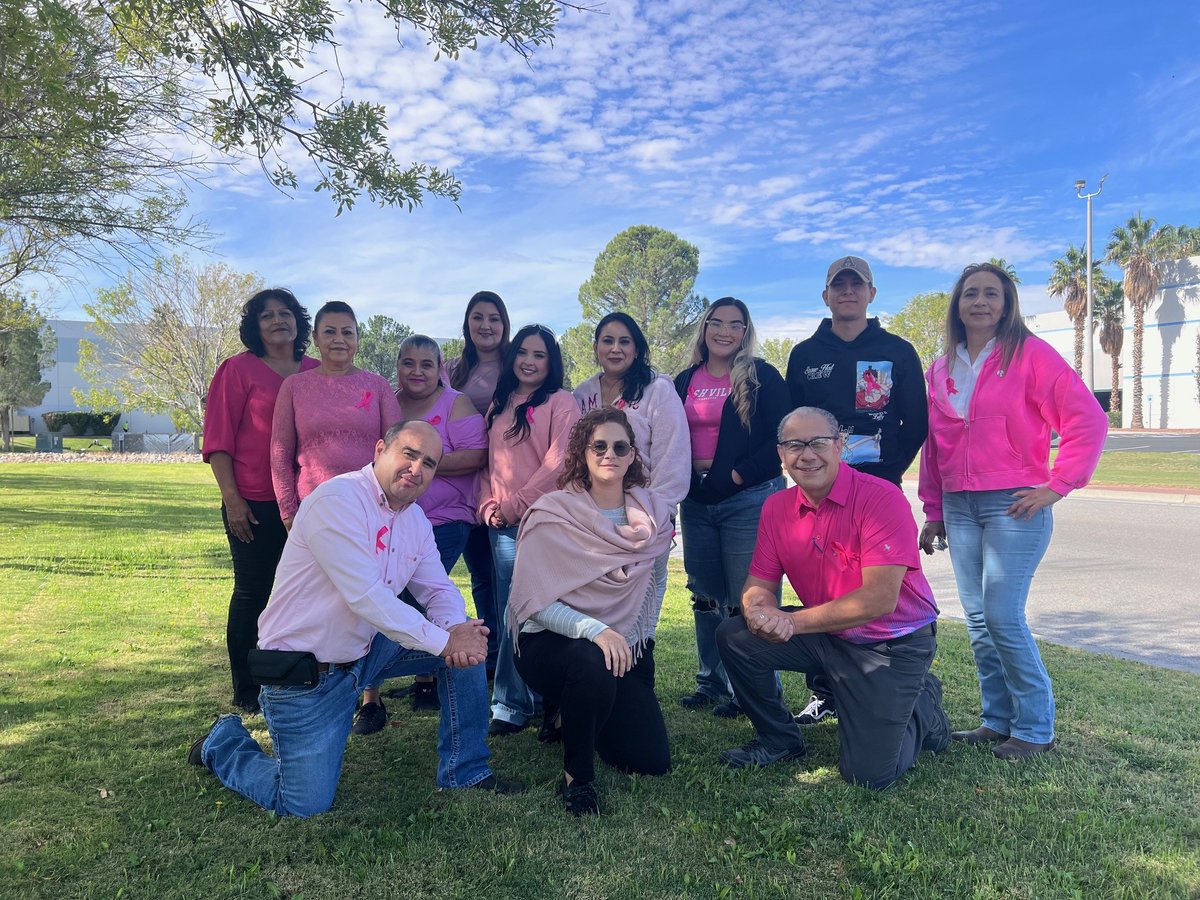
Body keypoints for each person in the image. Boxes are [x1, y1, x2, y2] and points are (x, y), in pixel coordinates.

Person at [188, 421, 525, 816]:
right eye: (409, 454)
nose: (417, 469)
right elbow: (367, 597)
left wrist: (455, 630)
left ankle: (464, 770)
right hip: (307, 674)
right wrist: (446, 640)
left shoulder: (413, 519)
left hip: (366, 652)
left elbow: (436, 587)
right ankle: (222, 741)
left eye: (429, 463)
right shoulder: (338, 501)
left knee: (468, 644)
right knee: (302, 803)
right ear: (380, 449)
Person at [918, 262, 1107, 760]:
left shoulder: (1031, 355)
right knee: (978, 620)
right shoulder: (940, 368)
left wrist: (1059, 484)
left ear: (1006, 304)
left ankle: (1035, 728)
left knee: (1002, 616)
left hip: (1014, 504)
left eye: (992, 294)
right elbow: (935, 448)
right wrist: (933, 509)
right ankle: (995, 720)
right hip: (958, 506)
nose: (980, 302)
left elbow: (1087, 418)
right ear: (957, 304)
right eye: (970, 294)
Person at [715, 407, 949, 788]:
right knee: (735, 635)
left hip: (893, 643)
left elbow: (878, 600)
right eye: (794, 445)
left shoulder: (880, 499)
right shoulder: (777, 508)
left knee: (869, 776)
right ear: (781, 454)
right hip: (828, 634)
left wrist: (790, 621)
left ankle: (924, 705)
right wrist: (757, 609)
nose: (807, 455)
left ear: (840, 446)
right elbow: (759, 582)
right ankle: (779, 740)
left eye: (819, 443)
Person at [784, 255, 929, 727]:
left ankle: (905, 680)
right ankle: (826, 691)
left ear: (871, 293)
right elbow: (790, 426)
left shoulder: (897, 350)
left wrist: (886, 477)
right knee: (819, 588)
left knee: (883, 591)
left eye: (857, 283)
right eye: (838, 284)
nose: (848, 291)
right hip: (819, 496)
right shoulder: (805, 355)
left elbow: (916, 424)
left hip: (877, 495)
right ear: (825, 295)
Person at [508, 408, 673, 816]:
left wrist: (638, 645)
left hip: (620, 643)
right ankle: (576, 779)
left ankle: (577, 712)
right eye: (598, 445)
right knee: (590, 659)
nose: (609, 454)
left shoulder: (653, 516)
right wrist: (596, 630)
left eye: (620, 447)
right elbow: (535, 601)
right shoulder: (552, 512)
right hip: (546, 641)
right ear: (582, 452)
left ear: (632, 455)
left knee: (651, 761)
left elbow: (655, 587)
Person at [353, 335, 488, 732]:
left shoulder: (456, 403)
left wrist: (422, 465)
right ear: (397, 366)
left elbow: (477, 455)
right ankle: (369, 696)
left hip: (441, 520)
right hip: (383, 517)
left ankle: (426, 679)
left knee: (419, 597)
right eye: (408, 363)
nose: (417, 371)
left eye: (426, 364)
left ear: (439, 368)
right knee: (383, 597)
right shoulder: (389, 401)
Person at [202, 288, 319, 714]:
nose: (277, 321)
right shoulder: (236, 371)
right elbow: (218, 441)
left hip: (309, 503)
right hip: (253, 501)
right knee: (253, 593)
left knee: (305, 594)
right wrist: (232, 500)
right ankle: (247, 689)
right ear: (255, 326)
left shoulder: (317, 371)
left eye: (285, 313)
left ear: (298, 320)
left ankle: (295, 676)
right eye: (266, 315)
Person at [673, 297, 790, 718]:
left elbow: (781, 438)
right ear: (704, 328)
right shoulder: (683, 380)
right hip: (698, 499)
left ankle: (754, 689)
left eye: (735, 324)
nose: (725, 331)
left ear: (745, 332)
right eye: (716, 322)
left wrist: (737, 476)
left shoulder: (762, 377)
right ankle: (711, 682)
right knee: (705, 595)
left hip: (748, 497)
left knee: (751, 597)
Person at [478, 324, 581, 736]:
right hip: (501, 526)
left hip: (547, 522)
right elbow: (488, 464)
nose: (529, 361)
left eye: (539, 355)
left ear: (550, 362)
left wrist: (515, 504)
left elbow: (560, 462)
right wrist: (488, 507)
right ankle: (512, 702)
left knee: (542, 609)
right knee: (512, 611)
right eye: (523, 352)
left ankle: (540, 697)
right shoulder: (499, 403)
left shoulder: (561, 402)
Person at [573, 312, 691, 626]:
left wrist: (655, 513)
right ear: (596, 346)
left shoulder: (658, 390)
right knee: (594, 611)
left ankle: (636, 669)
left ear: (636, 349)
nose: (615, 349)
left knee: (638, 615)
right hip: (592, 518)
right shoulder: (582, 395)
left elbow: (673, 456)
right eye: (607, 341)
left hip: (644, 518)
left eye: (624, 341)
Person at [270, 300, 403, 528]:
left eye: (347, 332)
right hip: (312, 508)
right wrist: (288, 512)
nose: (339, 339)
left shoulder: (378, 386)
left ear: (357, 339)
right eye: (330, 332)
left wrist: (393, 504)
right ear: (315, 338)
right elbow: (280, 453)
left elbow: (397, 449)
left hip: (370, 508)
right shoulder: (294, 386)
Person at [446, 291, 511, 674]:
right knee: (480, 577)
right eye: (478, 317)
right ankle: (488, 654)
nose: (486, 325)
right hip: (459, 485)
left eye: (494, 318)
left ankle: (507, 655)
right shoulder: (452, 369)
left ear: (504, 324)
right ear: (467, 323)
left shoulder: (514, 366)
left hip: (499, 483)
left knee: (501, 574)